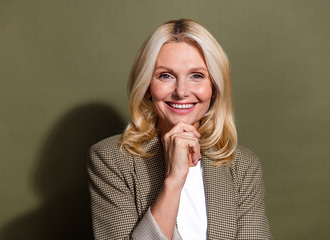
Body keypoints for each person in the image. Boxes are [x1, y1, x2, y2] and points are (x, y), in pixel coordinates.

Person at [87, 19, 272, 239]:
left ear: (214, 87)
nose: (181, 91)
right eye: (166, 75)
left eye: (197, 76)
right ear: (147, 87)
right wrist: (174, 180)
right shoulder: (111, 159)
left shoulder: (243, 166)